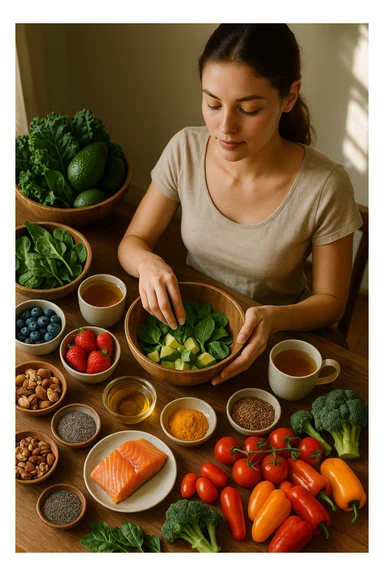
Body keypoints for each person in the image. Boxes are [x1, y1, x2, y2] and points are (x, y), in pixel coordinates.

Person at [118, 24, 363, 385]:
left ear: (290, 97)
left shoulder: (325, 185)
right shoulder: (185, 148)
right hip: (192, 320)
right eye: (213, 104)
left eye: (248, 109)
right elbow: (132, 242)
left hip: (274, 343)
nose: (225, 127)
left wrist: (275, 318)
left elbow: (331, 301)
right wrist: (149, 263)